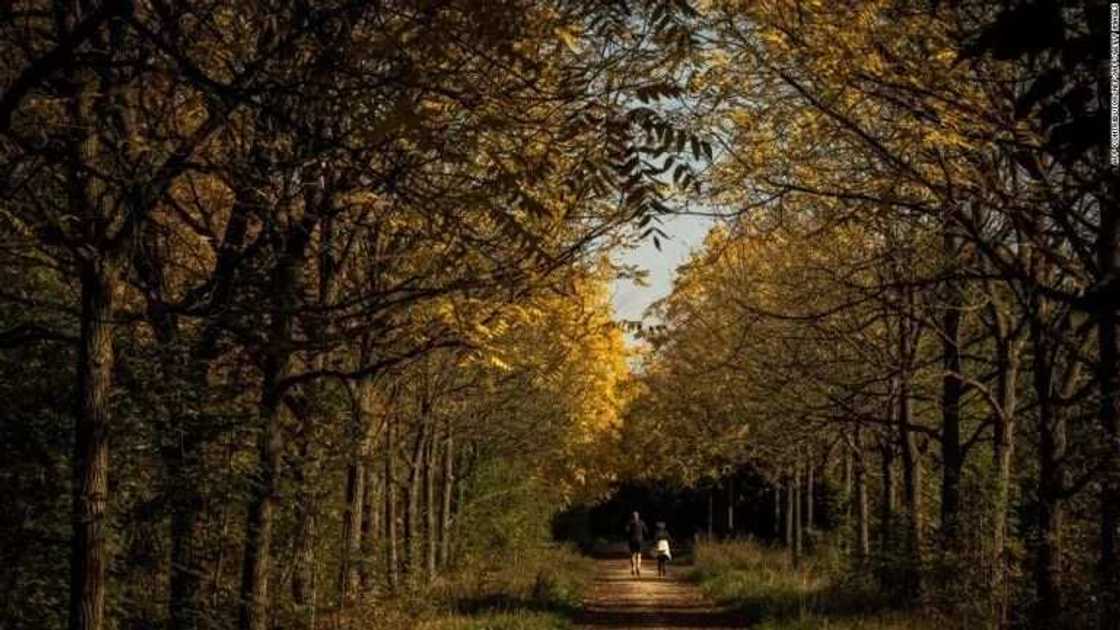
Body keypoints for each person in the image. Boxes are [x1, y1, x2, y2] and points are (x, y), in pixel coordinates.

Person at [625, 511, 649, 577]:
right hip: (640, 540)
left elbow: (626, 531)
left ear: (632, 516)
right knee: (639, 555)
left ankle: (633, 568)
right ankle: (638, 567)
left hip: (632, 540)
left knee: (632, 555)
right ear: (638, 516)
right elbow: (646, 531)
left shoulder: (629, 522)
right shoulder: (642, 522)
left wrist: (629, 535)